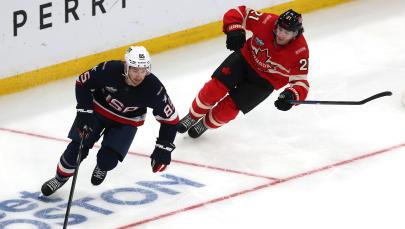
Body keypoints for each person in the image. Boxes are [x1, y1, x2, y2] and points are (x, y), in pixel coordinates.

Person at [41, 46, 179, 196]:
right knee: (75, 151)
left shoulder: (154, 88)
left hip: (127, 121)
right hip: (97, 112)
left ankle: (102, 166)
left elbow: (171, 119)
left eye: (143, 70)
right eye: (135, 70)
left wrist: (164, 147)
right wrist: (84, 111)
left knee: (107, 161)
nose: (139, 76)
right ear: (126, 66)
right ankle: (60, 178)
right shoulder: (109, 69)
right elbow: (82, 82)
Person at [178, 8, 310, 138]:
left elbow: (301, 82)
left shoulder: (300, 51)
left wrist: (292, 95)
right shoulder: (267, 21)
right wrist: (234, 29)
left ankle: (205, 124)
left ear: (296, 34)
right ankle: (192, 116)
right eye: (280, 29)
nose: (281, 35)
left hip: (266, 81)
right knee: (213, 88)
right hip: (244, 59)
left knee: (230, 108)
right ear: (276, 26)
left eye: (286, 32)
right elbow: (239, 12)